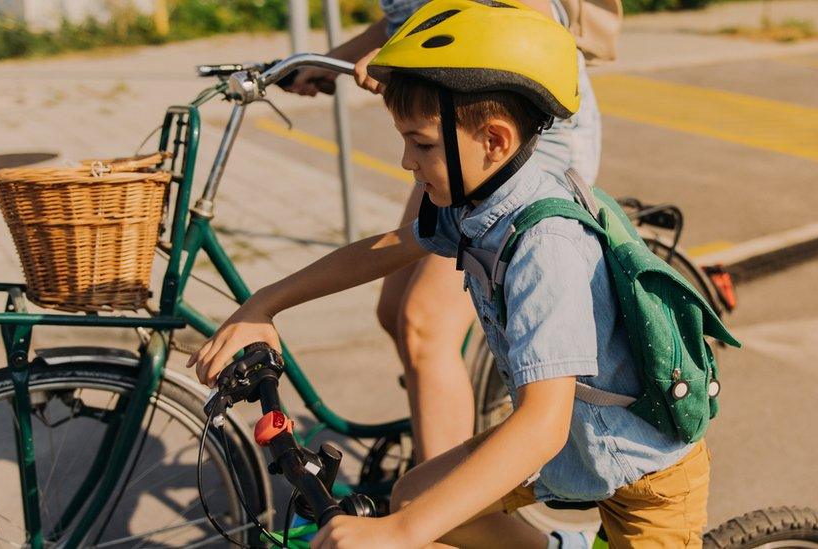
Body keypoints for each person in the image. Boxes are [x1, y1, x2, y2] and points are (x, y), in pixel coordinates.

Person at [188, 2, 708, 547]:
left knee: (414, 516)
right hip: (571, 448)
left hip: (641, 473)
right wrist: (263, 305)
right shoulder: (479, 201)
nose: (407, 163)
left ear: (496, 141)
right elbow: (382, 249)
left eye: (423, 144)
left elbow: (541, 425)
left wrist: (403, 534)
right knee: (415, 493)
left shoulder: (544, 244)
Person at [284, 0, 602, 463]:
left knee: (425, 324)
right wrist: (330, 59)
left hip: (521, 136)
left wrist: (410, 58)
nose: (403, 161)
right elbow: (407, 14)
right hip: (455, 135)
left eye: (413, 147)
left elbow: (527, 15)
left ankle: (443, 512)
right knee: (394, 310)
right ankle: (437, 457)